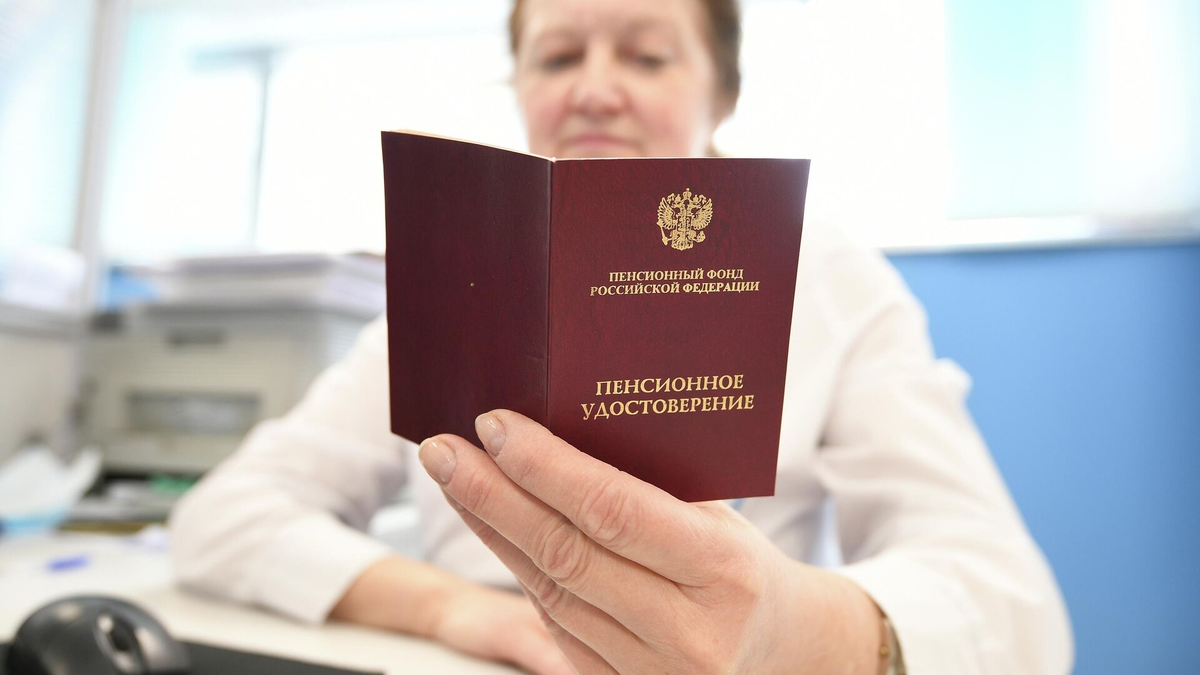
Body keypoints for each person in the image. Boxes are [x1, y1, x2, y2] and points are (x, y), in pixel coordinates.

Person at [168, 0, 1074, 673]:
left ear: (723, 93)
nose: (595, 91)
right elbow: (223, 517)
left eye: (646, 56)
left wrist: (783, 628)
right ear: (522, 88)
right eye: (558, 56)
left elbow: (1017, 613)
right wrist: (459, 612)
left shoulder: (828, 276)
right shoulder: (450, 292)